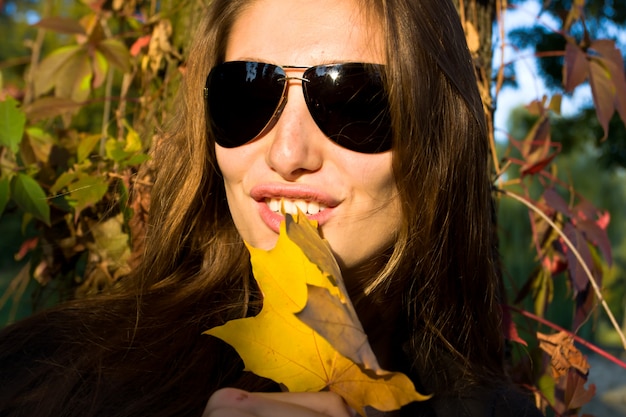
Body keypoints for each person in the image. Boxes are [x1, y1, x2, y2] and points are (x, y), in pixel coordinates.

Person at [0, 0, 543, 416]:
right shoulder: (52, 378)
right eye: (247, 94)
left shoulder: (495, 409)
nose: (287, 154)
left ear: (439, 135)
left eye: (354, 100)